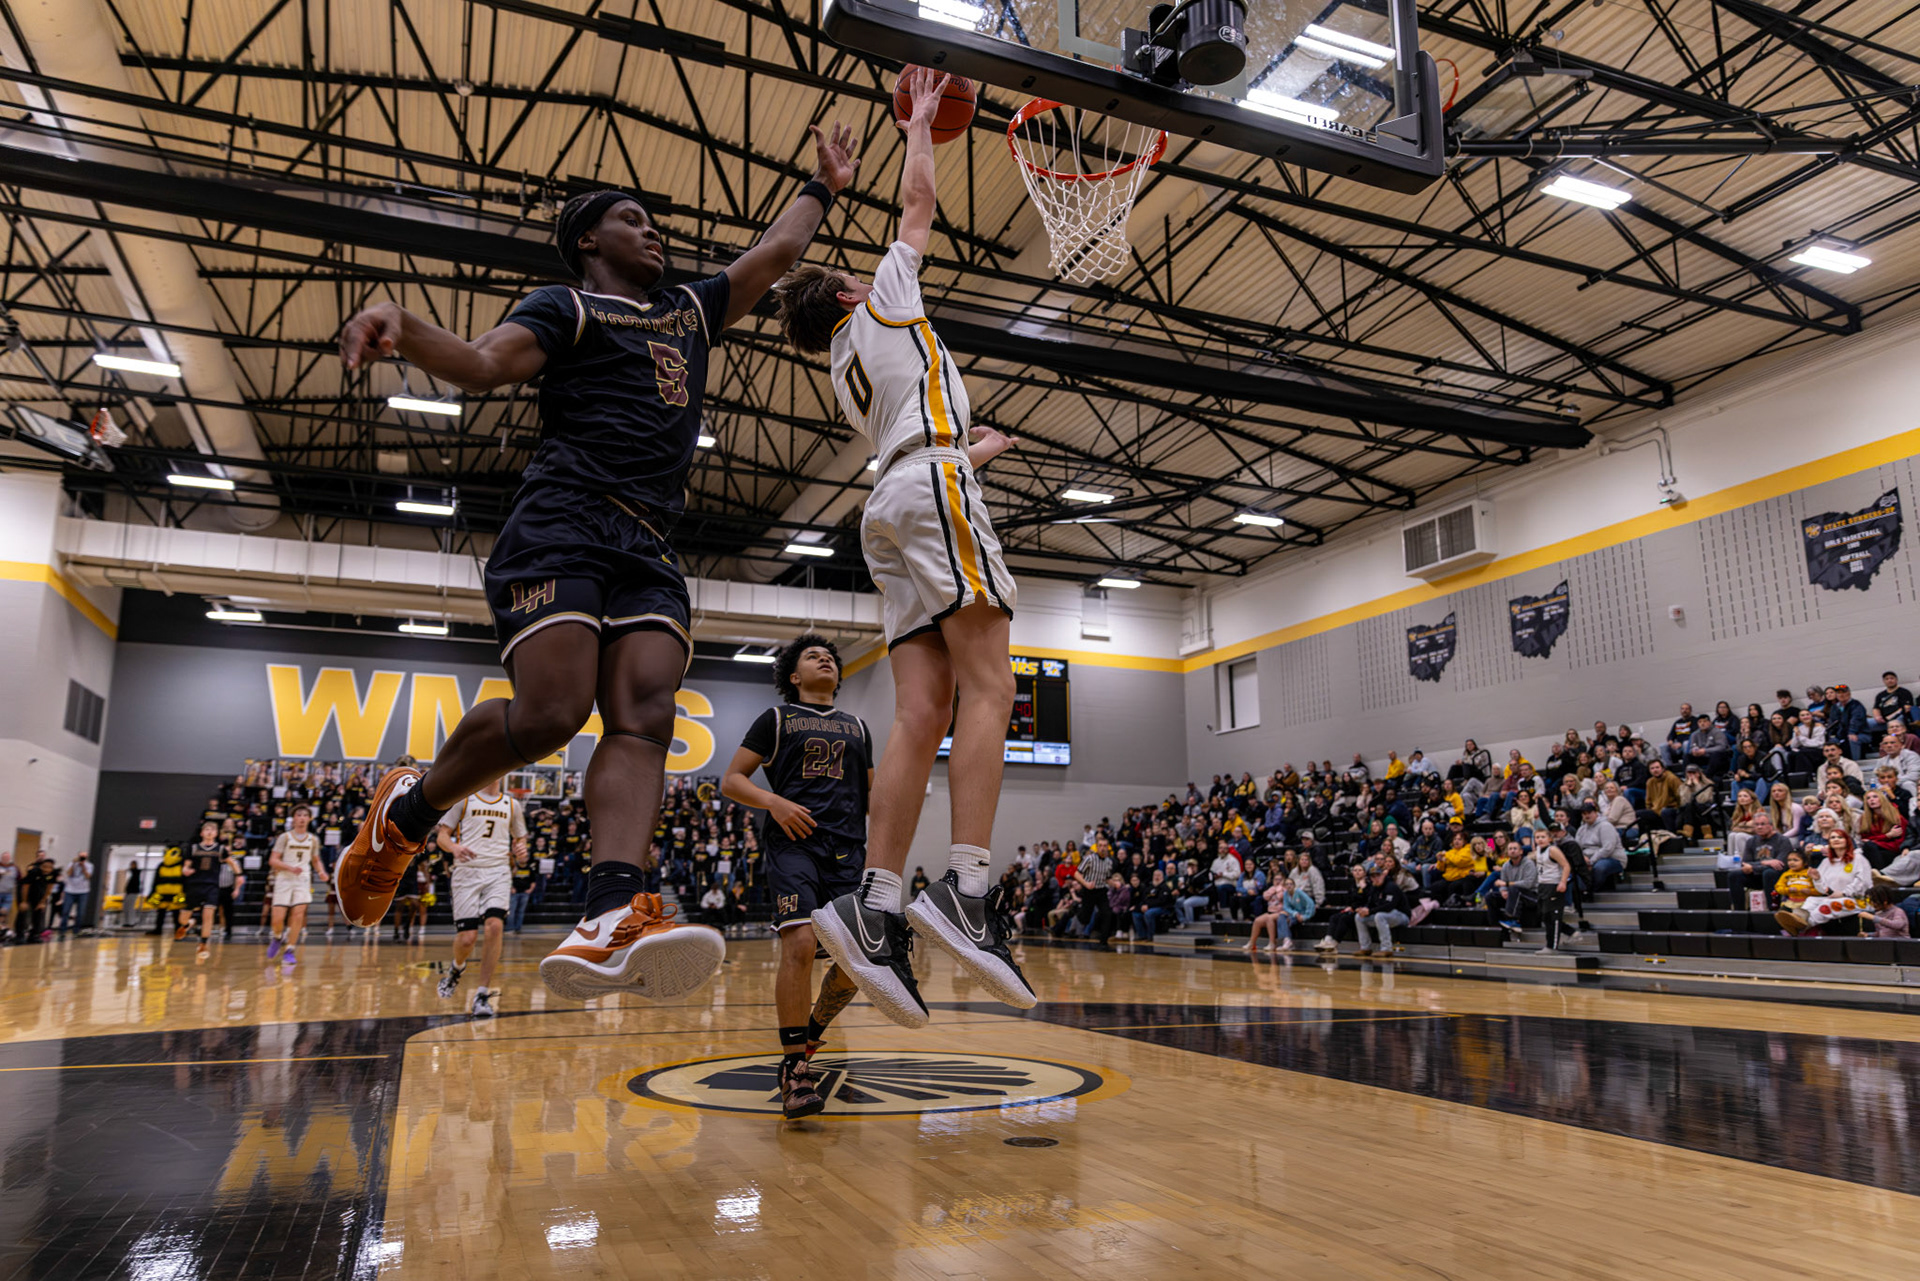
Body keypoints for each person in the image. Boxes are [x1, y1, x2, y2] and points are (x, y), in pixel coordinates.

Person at [330, 119, 861, 1007]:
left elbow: (775, 254)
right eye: (631, 219)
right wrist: (406, 328)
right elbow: (483, 364)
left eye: (652, 221)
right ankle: (409, 812)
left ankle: (612, 908)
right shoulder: (565, 307)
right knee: (552, 712)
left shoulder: (689, 309)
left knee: (646, 711)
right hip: (564, 520)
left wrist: (824, 186)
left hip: (649, 539)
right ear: (588, 240)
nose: (652, 230)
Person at [777, 71, 1028, 1029]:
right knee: (993, 685)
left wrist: (970, 451)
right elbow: (917, 206)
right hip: (927, 487)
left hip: (892, 500)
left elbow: (914, 435)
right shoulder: (880, 301)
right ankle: (967, 887)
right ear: (849, 291)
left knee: (921, 709)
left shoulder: (845, 368)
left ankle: (876, 905)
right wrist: (921, 125)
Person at [719, 634, 872, 1118]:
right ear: (793, 675)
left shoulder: (858, 726)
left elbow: (874, 795)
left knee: (858, 959)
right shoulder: (776, 718)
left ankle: (812, 1033)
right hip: (795, 844)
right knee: (801, 943)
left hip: (848, 851)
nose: (825, 658)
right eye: (812, 655)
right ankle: (793, 1068)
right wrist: (775, 803)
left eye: (830, 657)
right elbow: (732, 780)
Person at [433, 782, 527, 1017]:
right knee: (467, 938)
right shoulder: (464, 799)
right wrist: (454, 848)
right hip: (467, 871)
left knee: (495, 926)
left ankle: (482, 993)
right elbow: (442, 836)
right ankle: (456, 969)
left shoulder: (512, 805)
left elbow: (520, 840)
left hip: (498, 871)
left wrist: (521, 850)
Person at [1777, 830, 1873, 934]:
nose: (1836, 839)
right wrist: (1817, 879)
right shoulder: (1826, 862)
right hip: (1832, 897)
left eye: (1840, 837)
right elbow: (1823, 889)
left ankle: (1802, 925)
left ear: (1847, 841)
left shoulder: (1858, 859)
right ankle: (1797, 920)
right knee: (1811, 900)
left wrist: (1844, 893)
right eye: (1832, 837)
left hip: (1858, 900)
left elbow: (1864, 882)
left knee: (1829, 904)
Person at [265, 807, 327, 965]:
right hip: (284, 878)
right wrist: (290, 868)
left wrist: (321, 872)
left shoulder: (313, 839)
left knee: (298, 915)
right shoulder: (284, 837)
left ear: (309, 819)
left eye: (305, 815)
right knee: (277, 919)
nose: (302, 818)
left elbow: (316, 860)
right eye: (299, 815)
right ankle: (277, 937)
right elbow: (273, 860)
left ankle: (290, 949)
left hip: (303, 878)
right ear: (293, 818)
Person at [181, 824, 235, 962]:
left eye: (212, 830)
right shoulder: (193, 848)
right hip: (194, 885)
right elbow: (186, 864)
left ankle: (203, 944)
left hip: (212, 886)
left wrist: (239, 876)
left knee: (208, 915)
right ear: (201, 833)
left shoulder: (221, 849)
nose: (210, 832)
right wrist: (185, 869)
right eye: (207, 829)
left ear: (216, 833)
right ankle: (188, 923)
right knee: (182, 919)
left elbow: (232, 863)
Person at [1726, 812, 1794, 906]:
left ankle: (1772, 908)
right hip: (1757, 875)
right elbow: (1745, 863)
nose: (1759, 827)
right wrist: (1765, 863)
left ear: (1771, 826)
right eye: (1756, 824)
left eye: (1762, 824)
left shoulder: (1782, 840)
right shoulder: (1751, 841)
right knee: (1734, 875)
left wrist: (1754, 867)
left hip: (1777, 877)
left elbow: (1780, 864)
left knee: (1769, 873)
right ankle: (1739, 910)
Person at [1526, 826, 1577, 953]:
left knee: (1553, 917)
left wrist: (1563, 882)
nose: (1540, 839)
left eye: (1543, 837)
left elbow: (1566, 866)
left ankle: (1552, 947)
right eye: (1537, 837)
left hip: (1554, 885)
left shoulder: (1553, 850)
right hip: (1542, 885)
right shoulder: (1537, 849)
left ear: (1549, 838)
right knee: (1544, 915)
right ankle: (1570, 932)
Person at [1351, 863, 1411, 958]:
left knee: (1380, 916)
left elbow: (1389, 906)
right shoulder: (1374, 888)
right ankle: (1365, 948)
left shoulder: (1391, 886)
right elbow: (1371, 902)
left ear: (1383, 875)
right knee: (1359, 917)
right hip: (1384, 915)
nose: (1376, 879)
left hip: (1401, 916)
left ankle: (1386, 949)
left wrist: (1370, 911)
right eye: (1373, 876)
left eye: (1378, 875)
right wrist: (1364, 909)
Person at [58, 852, 93, 936]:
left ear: (87, 857)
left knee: (80, 912)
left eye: (84, 857)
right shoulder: (72, 863)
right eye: (81, 857)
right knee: (65, 911)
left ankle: (76, 930)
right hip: (70, 890)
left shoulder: (89, 865)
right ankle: (62, 930)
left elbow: (88, 876)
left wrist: (83, 866)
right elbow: (69, 874)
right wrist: (74, 864)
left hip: (83, 891)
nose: (82, 858)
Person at [508, 847, 535, 935]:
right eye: (521, 857)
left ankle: (518, 928)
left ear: (527, 858)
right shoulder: (514, 868)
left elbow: (533, 881)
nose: (523, 858)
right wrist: (511, 888)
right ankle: (510, 929)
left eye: (524, 857)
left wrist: (530, 890)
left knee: (521, 912)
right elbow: (508, 879)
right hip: (514, 893)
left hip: (524, 893)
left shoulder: (530, 869)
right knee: (511, 912)